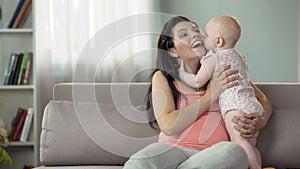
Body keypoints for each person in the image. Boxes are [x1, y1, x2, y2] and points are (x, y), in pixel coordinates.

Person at [123, 16, 272, 169]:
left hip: (213, 156)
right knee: (142, 160)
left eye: (195, 30)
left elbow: (263, 100)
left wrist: (260, 121)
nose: (194, 34)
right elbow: (168, 126)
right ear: (173, 51)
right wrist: (210, 95)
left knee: (234, 151)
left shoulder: (224, 69)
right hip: (172, 150)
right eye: (183, 34)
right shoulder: (163, 77)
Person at [179, 15, 263, 169]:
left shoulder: (214, 58)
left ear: (218, 41)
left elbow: (197, 81)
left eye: (206, 35)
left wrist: (182, 73)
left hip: (235, 106)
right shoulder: (240, 57)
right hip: (252, 104)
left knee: (240, 143)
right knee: (250, 145)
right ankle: (258, 165)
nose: (203, 38)